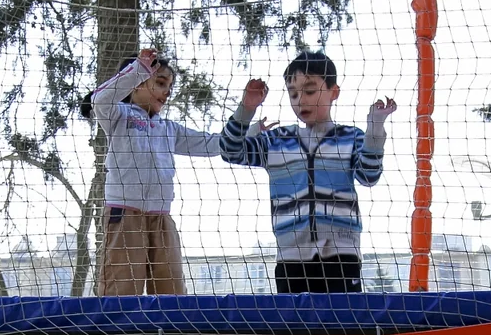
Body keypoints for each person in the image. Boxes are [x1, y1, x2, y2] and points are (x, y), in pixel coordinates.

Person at [219, 51, 396, 293]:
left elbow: (369, 176)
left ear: (334, 92)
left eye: (310, 91)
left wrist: (375, 130)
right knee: (296, 329)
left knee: (342, 327)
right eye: (293, 93)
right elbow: (230, 150)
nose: (300, 100)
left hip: (341, 255)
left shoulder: (350, 137)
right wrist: (246, 108)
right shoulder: (277, 141)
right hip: (291, 258)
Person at [81, 48, 219, 297]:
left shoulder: (168, 128)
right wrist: (138, 70)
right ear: (136, 84)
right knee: (120, 294)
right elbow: (99, 100)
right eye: (160, 82)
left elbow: (210, 143)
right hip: (125, 216)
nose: (167, 92)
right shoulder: (118, 116)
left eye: (170, 86)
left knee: (172, 295)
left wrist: (246, 128)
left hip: (161, 217)